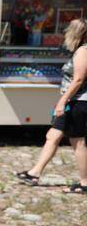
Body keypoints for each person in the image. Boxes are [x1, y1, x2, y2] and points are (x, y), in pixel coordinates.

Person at [49, 18, 87, 194]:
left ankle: (84, 183)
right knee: (72, 140)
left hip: (78, 101)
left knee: (78, 143)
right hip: (78, 101)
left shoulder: (82, 51)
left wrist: (62, 101)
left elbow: (78, 79)